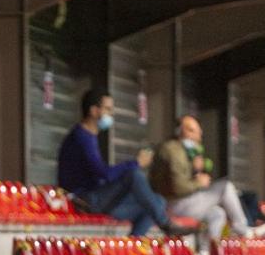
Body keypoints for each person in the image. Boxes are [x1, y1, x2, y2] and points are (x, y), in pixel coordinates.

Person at [57, 88, 193, 237]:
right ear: (94, 111)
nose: (111, 114)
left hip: (99, 198)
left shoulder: (89, 136)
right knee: (134, 175)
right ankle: (166, 225)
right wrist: (136, 163)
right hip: (84, 200)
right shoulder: (81, 137)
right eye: (108, 109)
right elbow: (104, 174)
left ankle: (134, 246)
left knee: (157, 202)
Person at [150, 115, 265, 239]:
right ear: (184, 131)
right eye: (196, 133)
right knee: (225, 187)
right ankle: (243, 229)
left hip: (178, 203)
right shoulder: (173, 151)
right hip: (174, 204)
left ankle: (207, 252)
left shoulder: (180, 151)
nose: (199, 138)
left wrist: (194, 168)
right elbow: (178, 187)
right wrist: (199, 183)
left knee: (217, 213)